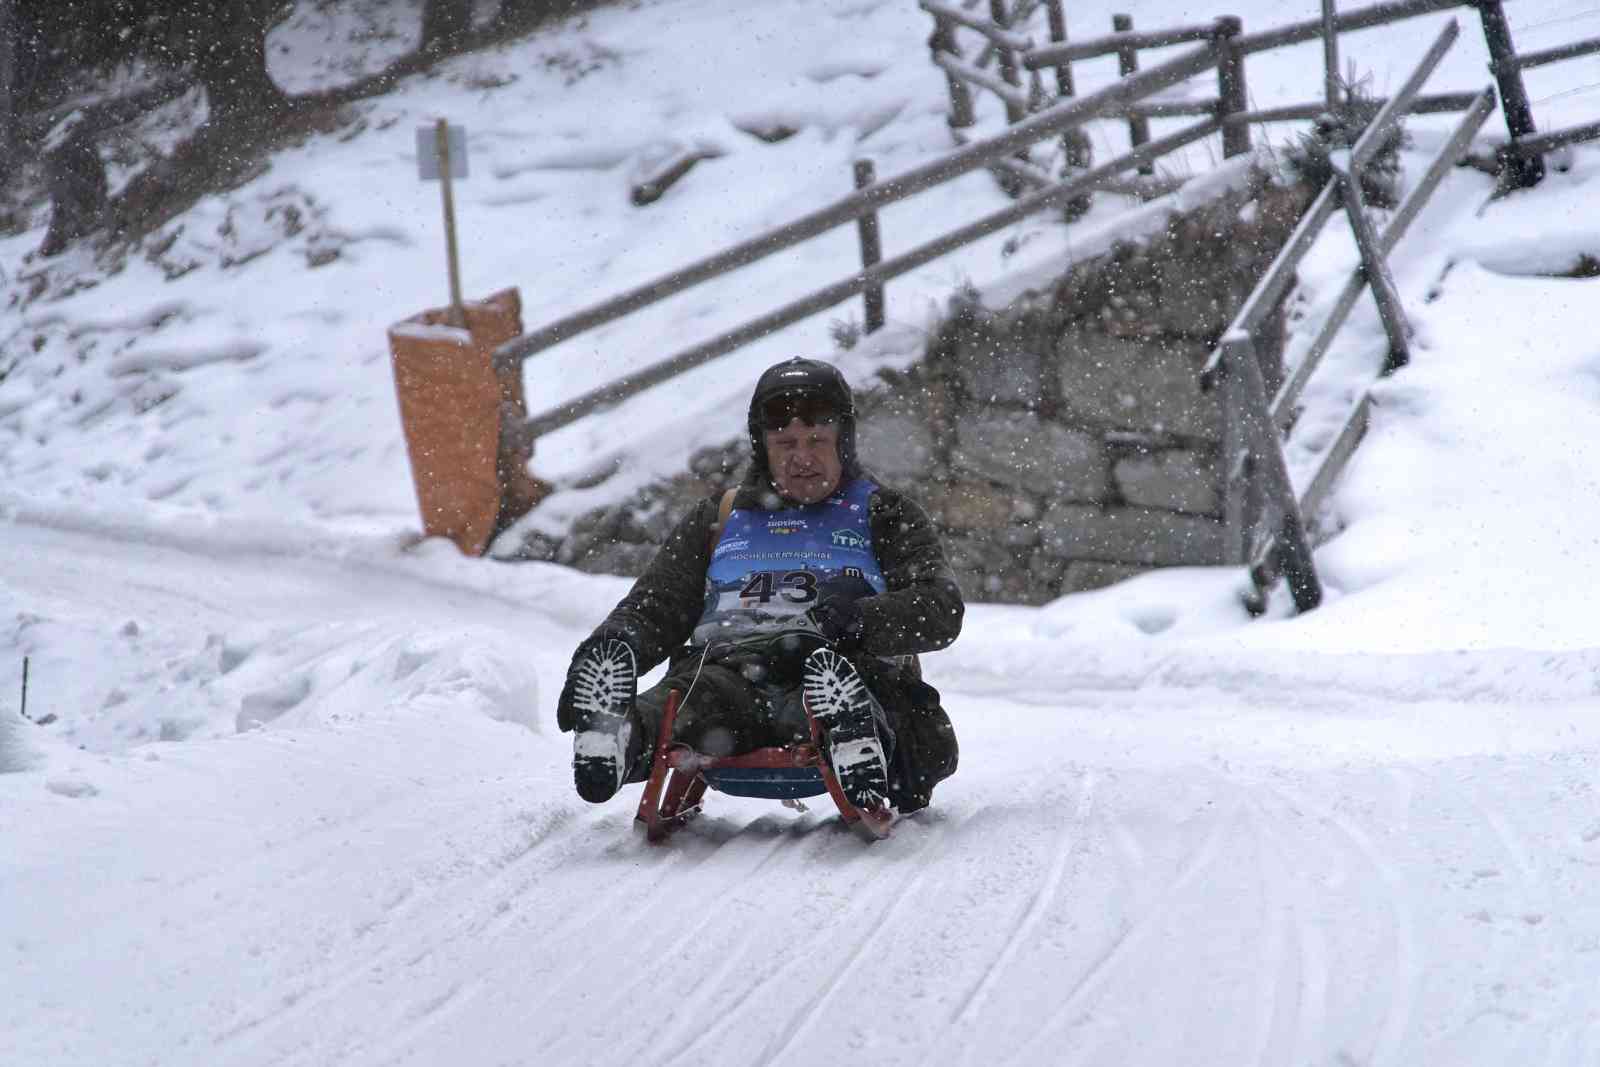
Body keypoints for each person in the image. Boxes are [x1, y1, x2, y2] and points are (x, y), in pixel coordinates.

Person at [556, 357, 964, 820]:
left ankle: (853, 736)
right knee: (685, 705)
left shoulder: (883, 513)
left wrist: (859, 619)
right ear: (762, 447)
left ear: (843, 442)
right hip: (730, 673)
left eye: (817, 441)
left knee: (832, 695)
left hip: (834, 665)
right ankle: (619, 736)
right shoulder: (721, 516)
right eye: (785, 444)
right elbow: (657, 605)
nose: (802, 458)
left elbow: (940, 607)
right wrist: (612, 645)